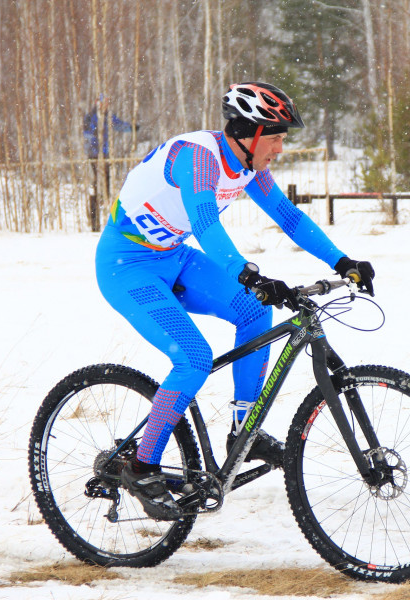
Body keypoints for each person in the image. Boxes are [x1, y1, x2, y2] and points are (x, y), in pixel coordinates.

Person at [95, 82, 375, 520]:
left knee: (253, 309)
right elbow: (206, 224)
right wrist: (248, 273)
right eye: (277, 137)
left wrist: (343, 261)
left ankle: (244, 430)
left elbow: (288, 216)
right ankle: (142, 464)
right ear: (252, 133)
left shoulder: (247, 164)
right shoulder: (198, 159)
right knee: (194, 358)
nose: (280, 149)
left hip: (174, 256)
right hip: (127, 263)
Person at [84, 94, 137, 231]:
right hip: (94, 155)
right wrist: (94, 141)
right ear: (97, 102)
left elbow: (118, 125)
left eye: (107, 102)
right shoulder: (91, 116)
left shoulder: (108, 116)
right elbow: (87, 133)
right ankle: (96, 208)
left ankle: (106, 198)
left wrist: (131, 128)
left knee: (107, 179)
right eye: (103, 102)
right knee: (95, 183)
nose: (105, 105)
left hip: (106, 154)